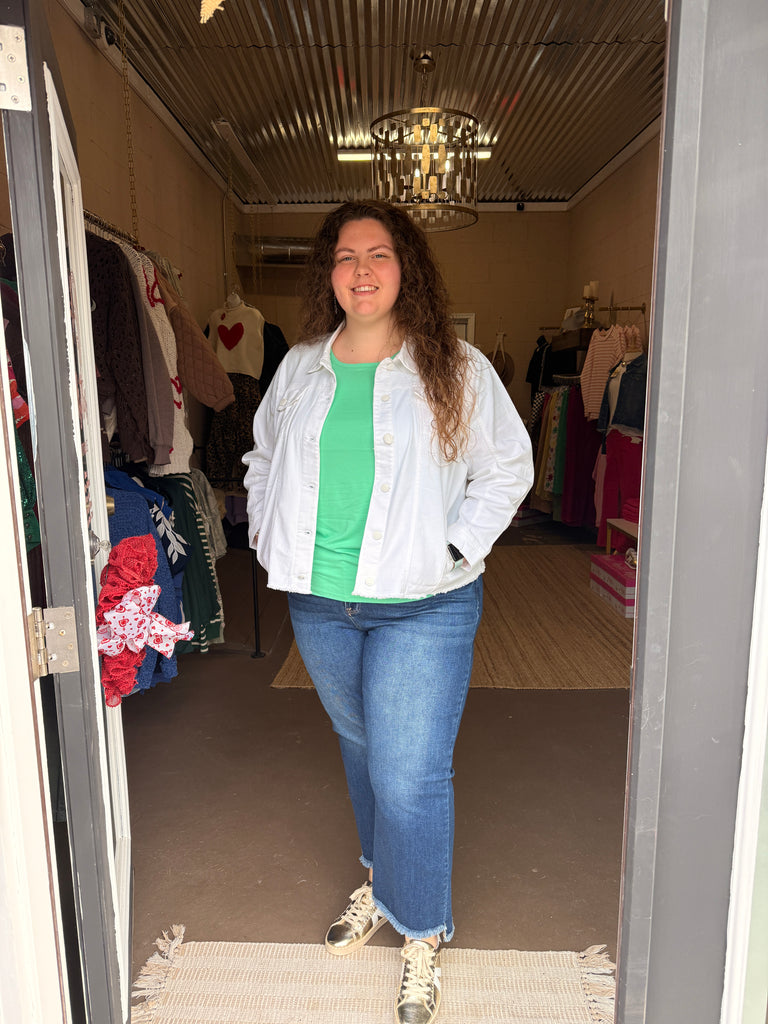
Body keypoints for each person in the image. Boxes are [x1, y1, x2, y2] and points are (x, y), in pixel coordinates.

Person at [243, 199, 534, 1024]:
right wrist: (266, 535)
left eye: (378, 254)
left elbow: (507, 468)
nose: (361, 270)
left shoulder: (455, 366)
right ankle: (383, 882)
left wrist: (453, 548)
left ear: (406, 268)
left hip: (423, 604)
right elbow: (262, 457)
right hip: (321, 601)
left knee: (410, 773)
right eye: (345, 256)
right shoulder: (301, 366)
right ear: (328, 272)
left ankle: (422, 928)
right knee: (364, 747)